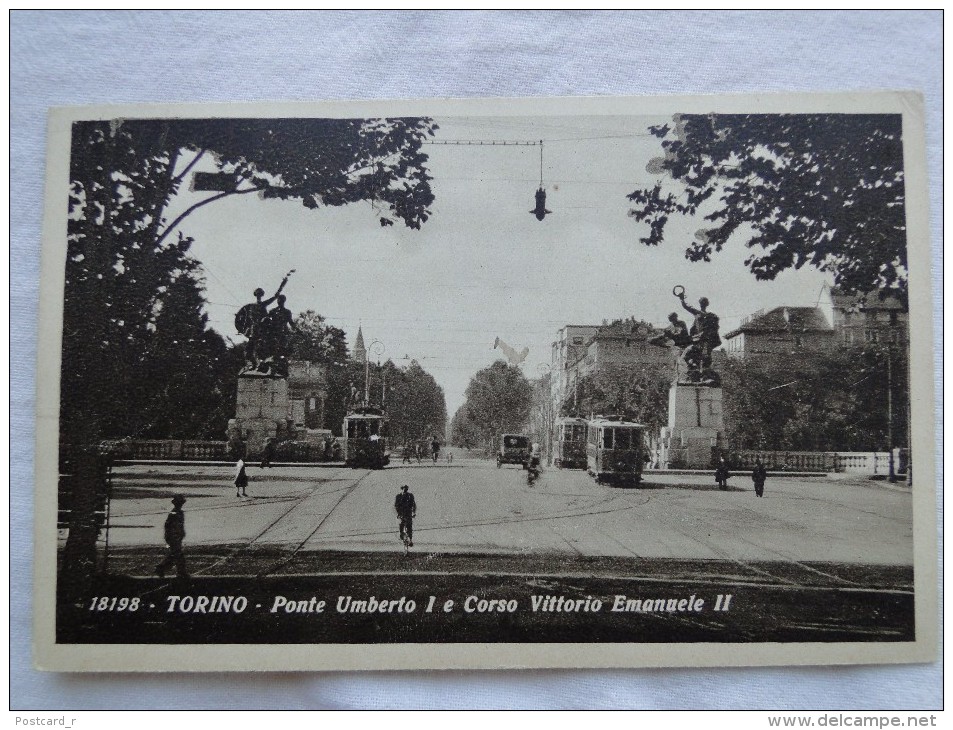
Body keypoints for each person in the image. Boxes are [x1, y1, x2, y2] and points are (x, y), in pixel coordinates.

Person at [155, 495, 189, 579]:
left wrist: (181, 534)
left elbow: (178, 526)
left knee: (175, 554)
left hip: (175, 537)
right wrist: (175, 536)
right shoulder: (175, 513)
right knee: (177, 555)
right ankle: (180, 572)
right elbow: (171, 526)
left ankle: (162, 568)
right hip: (174, 537)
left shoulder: (177, 512)